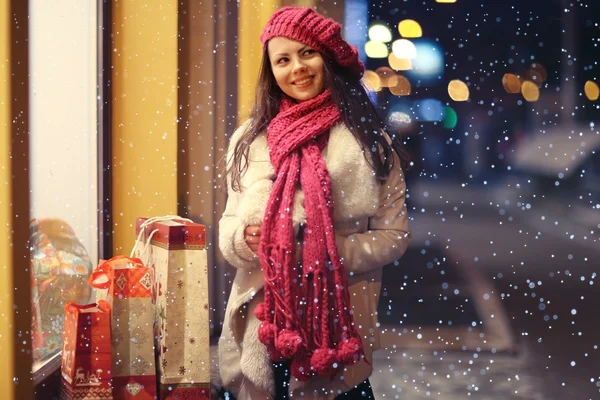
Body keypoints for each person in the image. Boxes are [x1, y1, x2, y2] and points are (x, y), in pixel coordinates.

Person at [218, 6, 411, 400]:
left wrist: (325, 251)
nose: (297, 68)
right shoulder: (249, 141)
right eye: (283, 60)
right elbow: (228, 225)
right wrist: (244, 239)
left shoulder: (368, 143)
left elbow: (395, 236)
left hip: (337, 328)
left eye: (307, 53)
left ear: (329, 57)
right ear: (271, 71)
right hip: (263, 322)